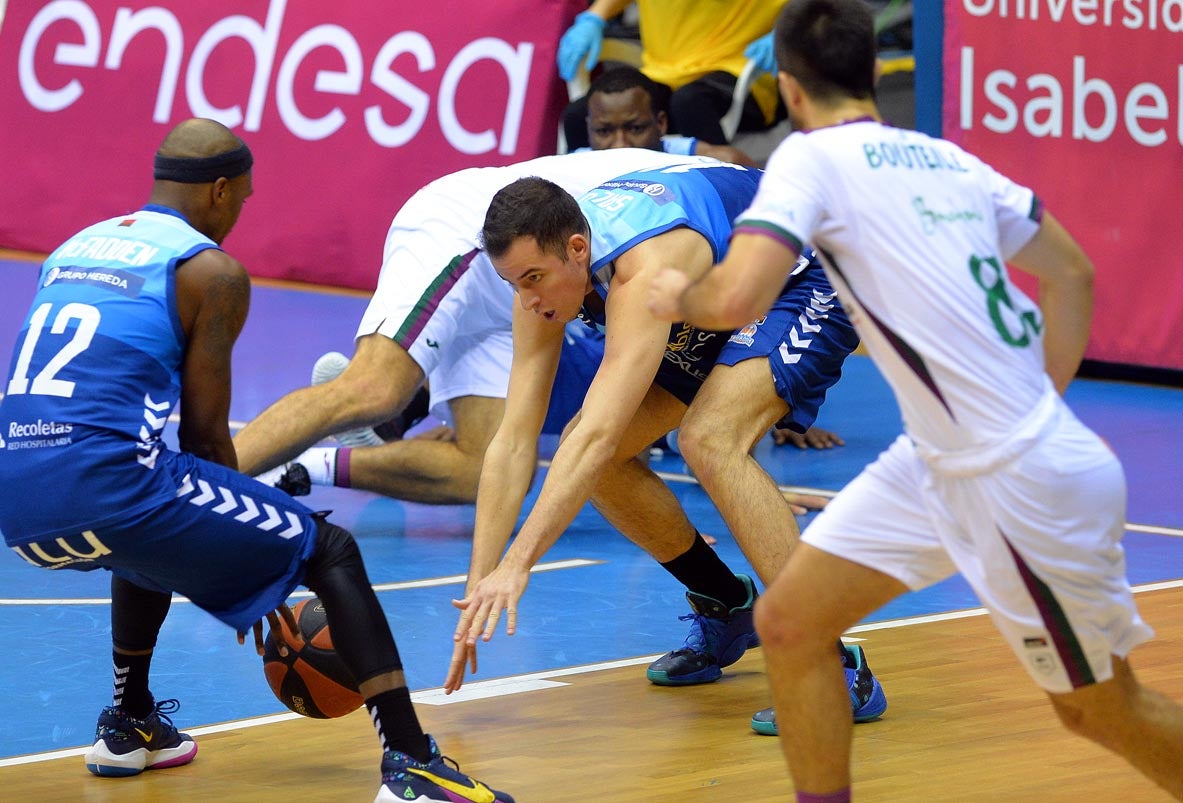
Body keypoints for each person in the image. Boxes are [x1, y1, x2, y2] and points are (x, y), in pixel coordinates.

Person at [646, 0, 1183, 799]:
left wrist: (671, 292)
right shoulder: (946, 159)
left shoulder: (810, 157)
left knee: (1100, 711)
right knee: (792, 627)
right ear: (869, 73)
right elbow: (1073, 273)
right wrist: (1044, 396)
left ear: (789, 90)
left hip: (1017, 477)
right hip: (938, 461)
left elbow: (732, 300)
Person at [0, 119, 511, 803]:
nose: (240, 212)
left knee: (144, 520)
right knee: (326, 548)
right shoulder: (211, 272)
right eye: (242, 198)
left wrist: (229, 539)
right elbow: (209, 440)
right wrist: (263, 560)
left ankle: (128, 722)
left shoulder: (70, 249)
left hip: (17, 495)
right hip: (108, 485)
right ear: (217, 191)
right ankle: (411, 762)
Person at [444, 161, 885, 733]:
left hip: (806, 271)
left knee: (709, 439)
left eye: (530, 279)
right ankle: (726, 606)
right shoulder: (550, 276)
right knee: (595, 461)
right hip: (713, 289)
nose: (524, 299)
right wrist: (482, 583)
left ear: (578, 249)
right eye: (511, 283)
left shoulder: (642, 271)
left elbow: (600, 435)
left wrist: (519, 563)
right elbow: (512, 440)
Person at [235, 149, 742, 506]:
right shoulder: (717, 201)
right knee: (375, 387)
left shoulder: (721, 235)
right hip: (476, 239)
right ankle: (191, 480)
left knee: (485, 471)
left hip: (530, 296)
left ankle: (301, 469)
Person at [558, 0, 786, 152]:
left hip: (741, 68)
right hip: (664, 73)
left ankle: (718, 199)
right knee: (580, 114)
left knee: (690, 103)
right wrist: (595, 16)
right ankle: (584, 204)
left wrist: (789, 31)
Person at [575, 66, 760, 167]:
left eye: (635, 128)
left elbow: (732, 161)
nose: (620, 145)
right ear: (588, 129)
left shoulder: (685, 157)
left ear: (661, 123)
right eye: (603, 131)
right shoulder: (571, 170)